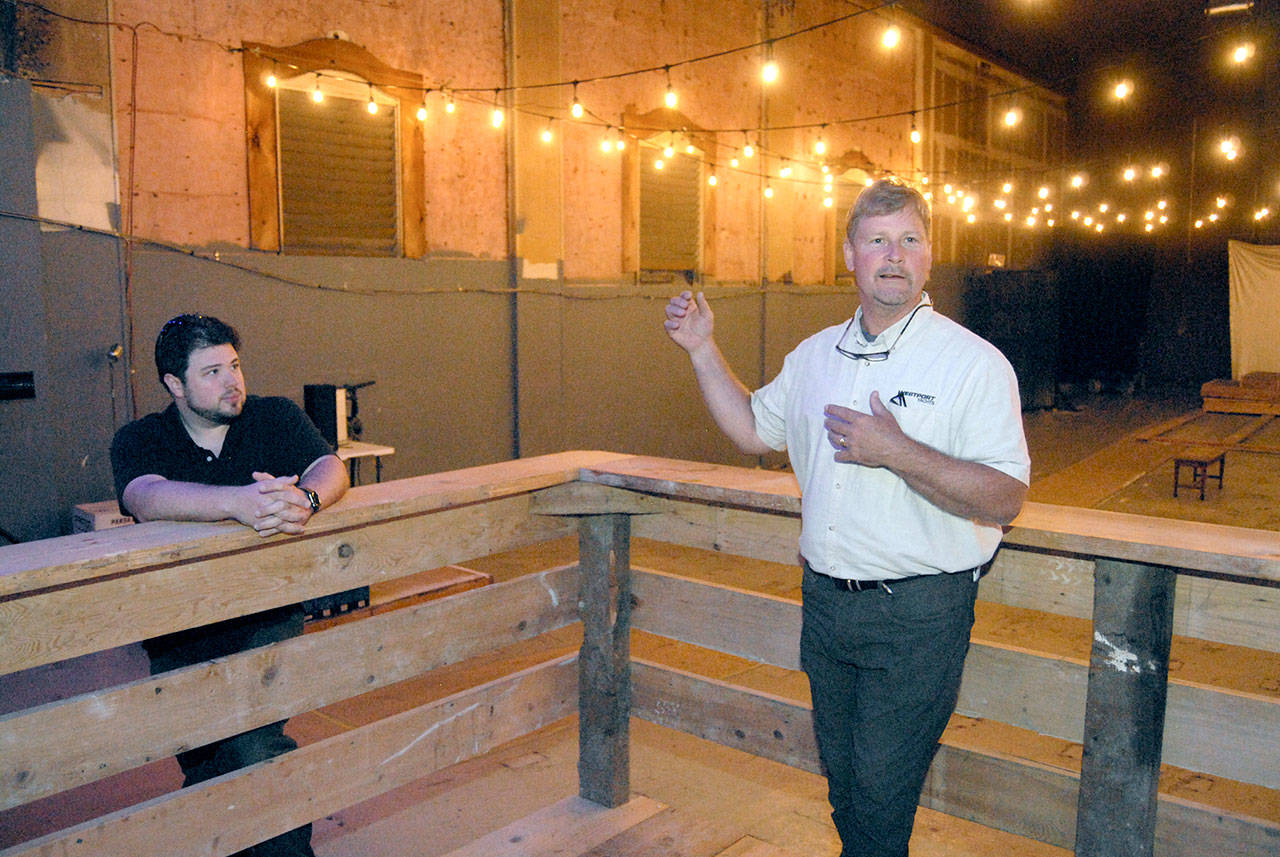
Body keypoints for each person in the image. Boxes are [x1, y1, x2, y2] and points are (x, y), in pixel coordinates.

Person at [663, 178, 1030, 857]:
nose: (895, 254)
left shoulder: (972, 364)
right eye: (878, 240)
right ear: (850, 256)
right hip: (828, 604)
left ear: (929, 255)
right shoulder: (814, 356)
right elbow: (750, 428)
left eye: (910, 240)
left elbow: (1004, 496)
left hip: (920, 613)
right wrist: (701, 348)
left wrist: (895, 450)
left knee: (880, 793)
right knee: (847, 787)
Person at [111, 313, 349, 857]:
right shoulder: (142, 438)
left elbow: (328, 465)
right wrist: (238, 504)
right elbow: (146, 494)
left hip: (267, 614)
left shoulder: (273, 418)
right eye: (212, 371)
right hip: (181, 628)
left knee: (254, 745)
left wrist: (305, 499)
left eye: (235, 366)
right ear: (175, 384)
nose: (232, 381)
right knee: (203, 762)